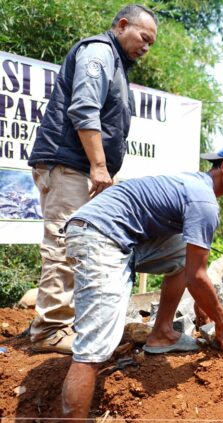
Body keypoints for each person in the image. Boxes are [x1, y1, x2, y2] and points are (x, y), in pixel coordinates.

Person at [59, 137, 223, 423]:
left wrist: (202, 298)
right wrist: (222, 320)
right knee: (93, 351)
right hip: (98, 237)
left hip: (117, 237)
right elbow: (197, 276)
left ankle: (162, 333)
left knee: (183, 249)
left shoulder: (194, 183)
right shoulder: (204, 201)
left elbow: (193, 265)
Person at [26, 4, 158, 354]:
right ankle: (49, 329)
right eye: (143, 38)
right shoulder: (99, 51)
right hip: (70, 164)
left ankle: (66, 323)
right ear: (122, 25)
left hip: (83, 168)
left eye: (150, 44)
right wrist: (99, 167)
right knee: (64, 243)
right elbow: (84, 109)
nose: (145, 47)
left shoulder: (116, 63)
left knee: (84, 245)